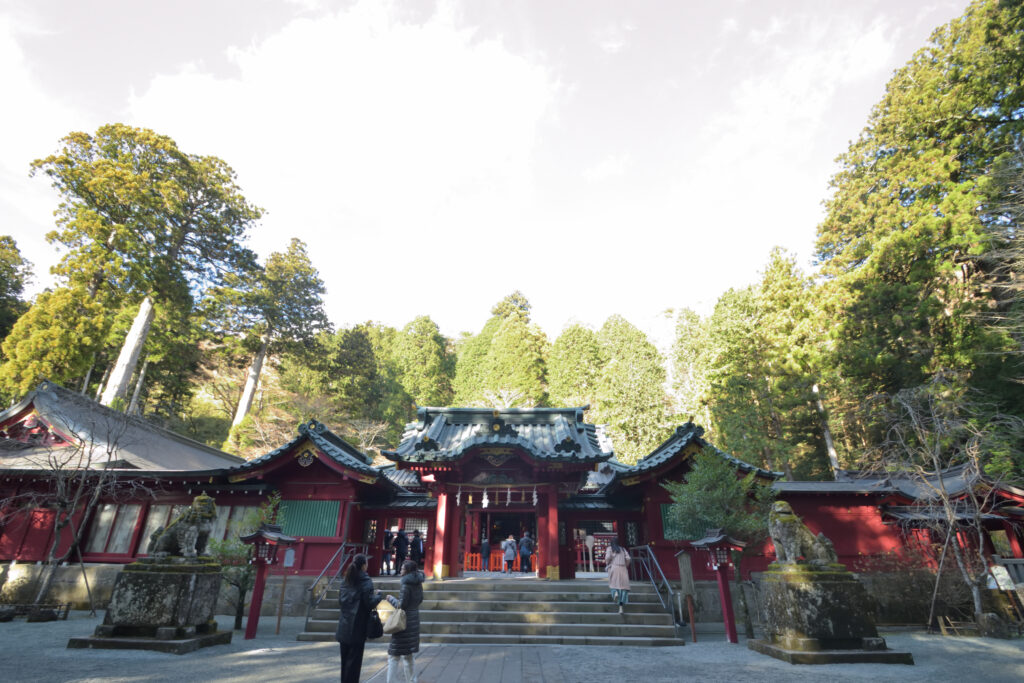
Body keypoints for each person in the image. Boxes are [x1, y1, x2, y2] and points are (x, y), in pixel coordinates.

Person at [336, 553, 383, 683]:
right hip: (357, 626)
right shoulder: (365, 581)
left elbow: (341, 600)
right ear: (363, 565)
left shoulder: (346, 580)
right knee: (354, 663)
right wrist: (379, 595)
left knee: (345, 661)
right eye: (366, 563)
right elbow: (369, 603)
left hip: (344, 625)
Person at [383, 559, 424, 682]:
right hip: (414, 619)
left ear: (407, 571)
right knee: (408, 655)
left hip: (403, 621)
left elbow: (401, 605)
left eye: (402, 569)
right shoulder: (418, 583)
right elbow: (420, 599)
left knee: (393, 655)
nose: (400, 570)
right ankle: (412, 680)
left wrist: (391, 599)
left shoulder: (406, 584)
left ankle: (391, 681)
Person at [604, 538, 631, 614]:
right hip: (623, 569)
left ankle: (615, 593)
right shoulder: (622, 549)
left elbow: (607, 558)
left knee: (614, 584)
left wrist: (608, 563)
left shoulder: (610, 548)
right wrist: (625, 565)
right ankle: (621, 608)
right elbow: (628, 558)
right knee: (623, 587)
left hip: (614, 568)